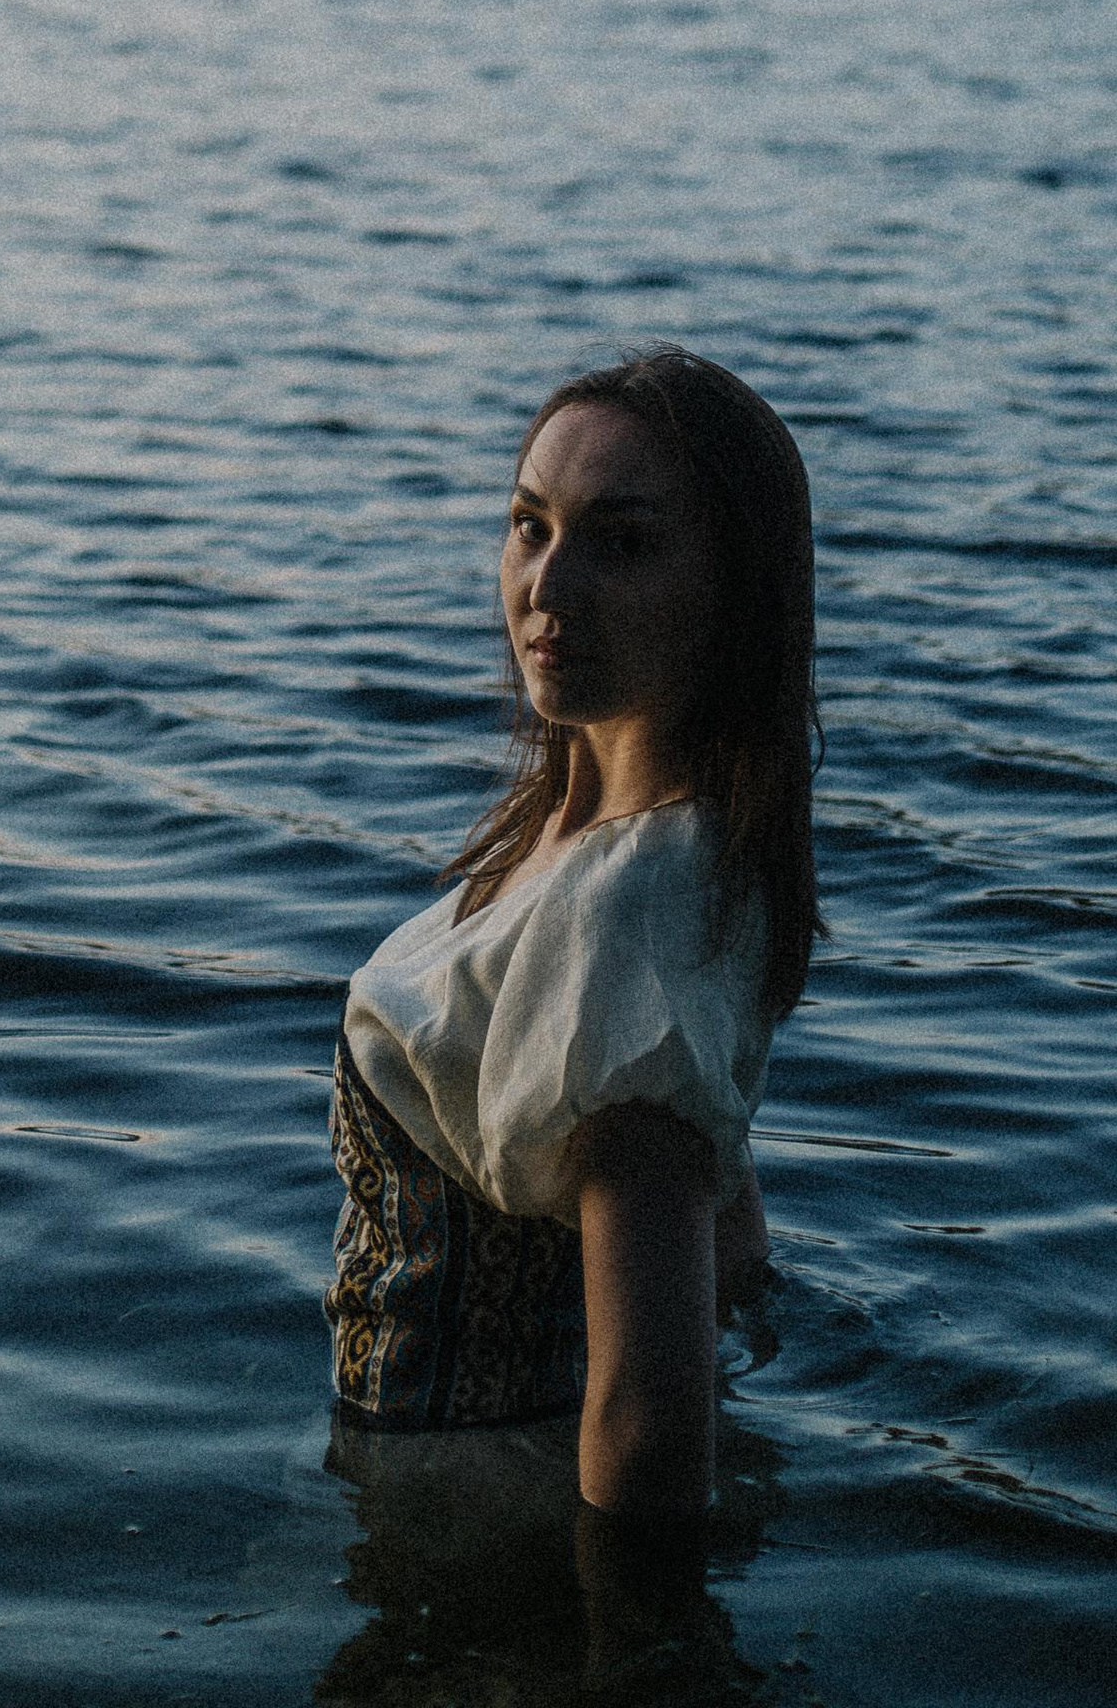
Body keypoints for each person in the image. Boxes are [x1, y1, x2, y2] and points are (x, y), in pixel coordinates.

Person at [327, 347, 820, 1531]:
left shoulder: (630, 909)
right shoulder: (597, 832)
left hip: (476, 1508)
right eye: (530, 526)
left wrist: (627, 1657)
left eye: (624, 542)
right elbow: (732, 1228)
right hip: (457, 1471)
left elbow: (648, 1410)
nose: (550, 586)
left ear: (730, 589)